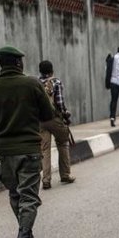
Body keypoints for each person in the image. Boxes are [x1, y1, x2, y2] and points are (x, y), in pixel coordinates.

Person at [0, 46, 55, 238]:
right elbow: (48, 114)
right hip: (29, 149)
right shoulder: (32, 84)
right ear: (18, 63)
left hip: (5, 151)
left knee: (15, 194)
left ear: (1, 64)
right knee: (29, 197)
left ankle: (26, 235)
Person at [38, 60, 75, 190]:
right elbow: (59, 102)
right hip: (54, 119)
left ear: (40, 71)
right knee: (63, 143)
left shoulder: (35, 83)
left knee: (44, 149)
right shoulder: (56, 82)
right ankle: (65, 174)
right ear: (52, 70)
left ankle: (46, 180)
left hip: (40, 121)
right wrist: (65, 114)